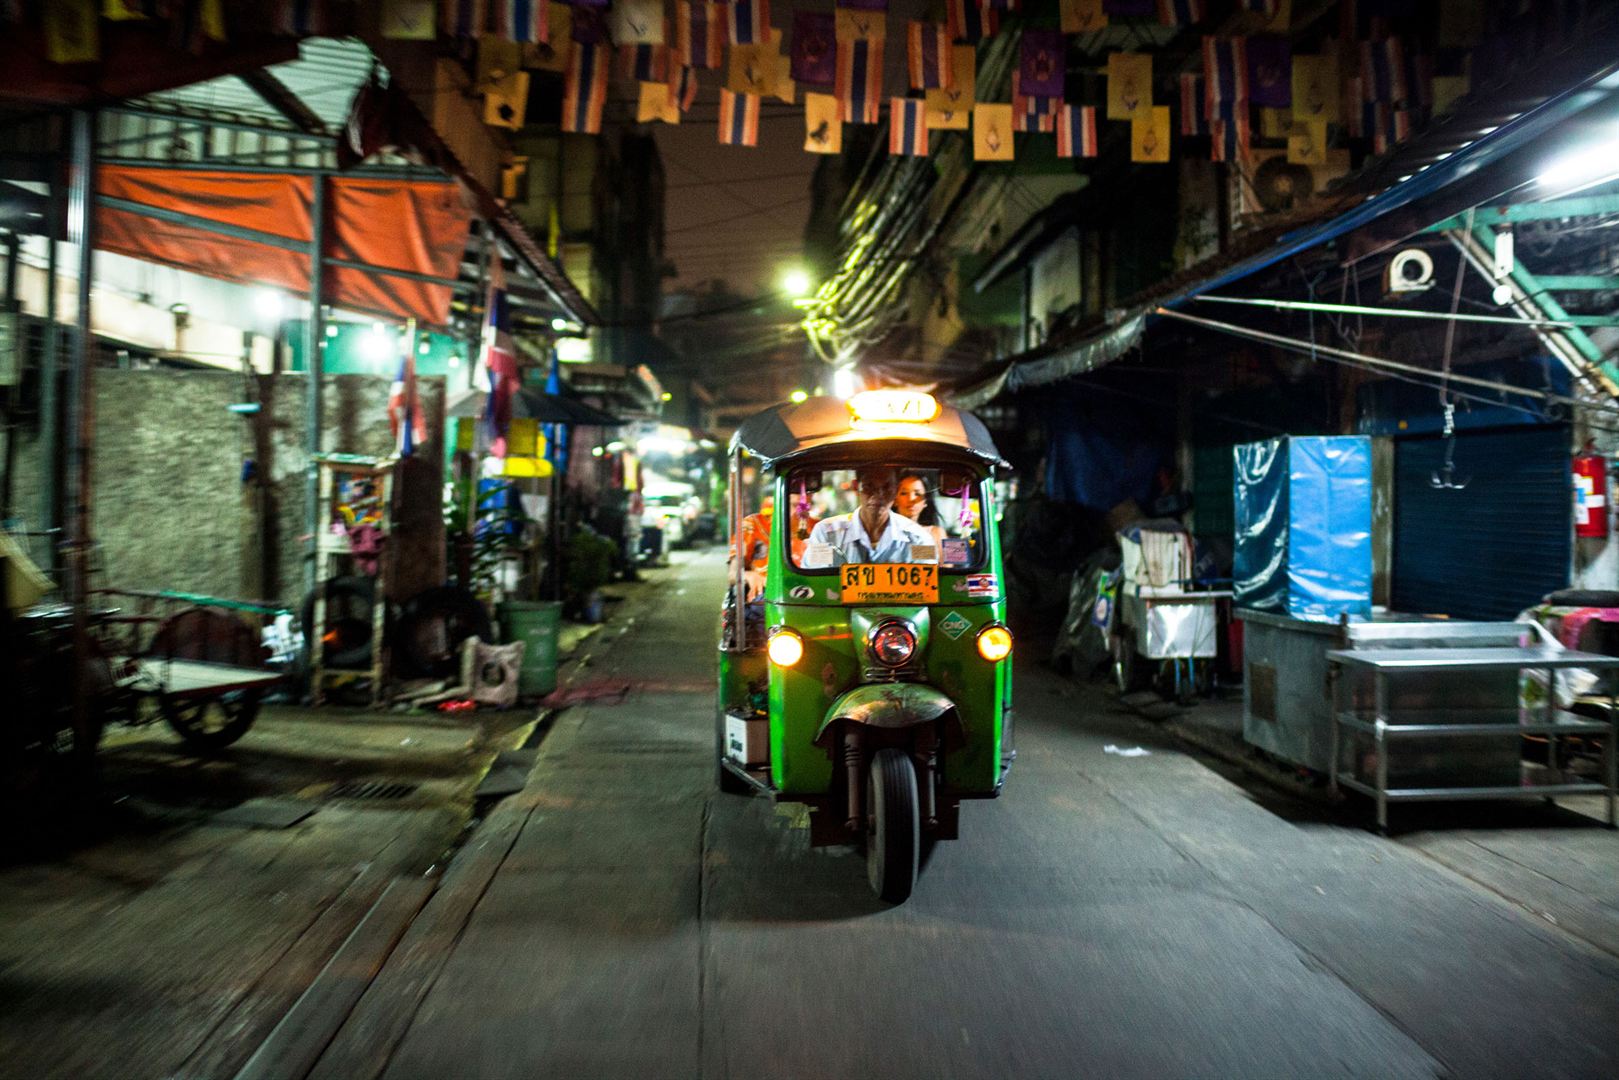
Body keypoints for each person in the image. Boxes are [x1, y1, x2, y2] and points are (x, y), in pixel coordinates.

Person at [805, 466, 936, 566]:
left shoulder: (919, 537)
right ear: (856, 487)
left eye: (886, 487)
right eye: (869, 487)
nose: (878, 495)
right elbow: (814, 580)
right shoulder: (826, 533)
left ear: (896, 490)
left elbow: (928, 580)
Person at [894, 472, 945, 545]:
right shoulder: (884, 532)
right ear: (895, 499)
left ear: (925, 501)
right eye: (904, 493)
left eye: (917, 494)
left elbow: (957, 555)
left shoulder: (936, 532)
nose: (911, 499)